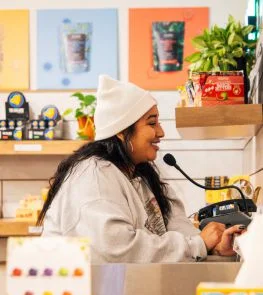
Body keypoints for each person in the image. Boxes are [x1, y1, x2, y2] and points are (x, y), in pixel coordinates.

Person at [39, 75, 244, 263]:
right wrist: (197, 244)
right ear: (121, 131)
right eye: (152, 123)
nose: (161, 132)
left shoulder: (141, 175)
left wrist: (214, 246)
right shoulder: (93, 175)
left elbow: (175, 226)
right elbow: (116, 247)